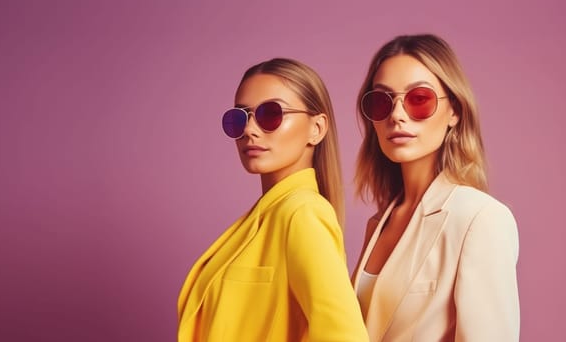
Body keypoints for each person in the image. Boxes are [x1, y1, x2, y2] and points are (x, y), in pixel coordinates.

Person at [178, 58, 369, 341]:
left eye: (270, 115)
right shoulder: (264, 218)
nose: (249, 130)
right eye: (239, 118)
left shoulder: (302, 213)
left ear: (316, 128)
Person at [352, 34, 520, 341]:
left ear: (454, 111)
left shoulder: (480, 218)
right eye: (381, 102)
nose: (397, 115)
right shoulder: (377, 224)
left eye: (419, 99)